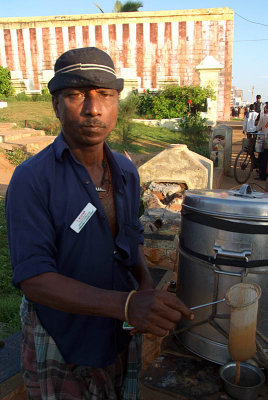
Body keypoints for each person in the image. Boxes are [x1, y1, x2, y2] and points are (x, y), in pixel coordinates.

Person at [5, 47, 193, 400]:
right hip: (62, 333)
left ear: (117, 102)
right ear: (55, 105)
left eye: (105, 95)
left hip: (119, 331)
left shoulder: (124, 170)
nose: (93, 109)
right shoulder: (32, 179)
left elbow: (131, 236)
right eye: (76, 95)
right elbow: (34, 280)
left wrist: (145, 288)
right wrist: (127, 305)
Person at [256, 102, 268, 181]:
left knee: (263, 158)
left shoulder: (264, 117)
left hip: (265, 140)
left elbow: (258, 128)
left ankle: (263, 175)